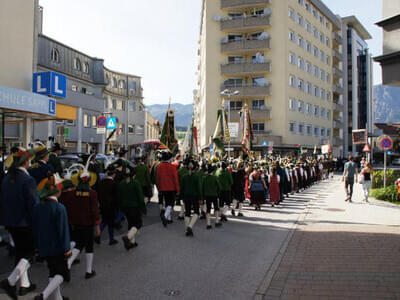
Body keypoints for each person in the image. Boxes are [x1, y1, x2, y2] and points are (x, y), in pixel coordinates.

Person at [0, 148, 38, 299]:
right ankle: (9, 282)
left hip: (10, 221)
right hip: (24, 222)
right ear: (26, 162)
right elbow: (33, 204)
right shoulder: (27, 180)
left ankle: (24, 285)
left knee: (20, 253)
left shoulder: (7, 177)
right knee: (30, 253)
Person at [33, 176, 71, 300]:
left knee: (52, 271)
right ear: (57, 192)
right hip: (57, 247)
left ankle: (57, 297)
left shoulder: (38, 207)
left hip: (44, 245)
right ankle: (43, 295)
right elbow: (63, 231)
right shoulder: (60, 208)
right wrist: (67, 249)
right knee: (62, 273)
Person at [62, 169, 100, 279]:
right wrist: (97, 225)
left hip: (76, 223)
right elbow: (95, 211)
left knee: (79, 244)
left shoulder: (73, 193)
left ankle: (68, 264)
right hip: (88, 224)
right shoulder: (92, 194)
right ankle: (88, 271)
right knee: (89, 246)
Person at [119, 166, 146, 250]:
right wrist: (143, 207)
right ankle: (128, 237)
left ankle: (132, 242)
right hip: (134, 206)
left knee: (130, 223)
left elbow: (120, 196)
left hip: (125, 207)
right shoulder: (135, 183)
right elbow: (140, 197)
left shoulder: (122, 183)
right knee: (138, 223)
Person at [96, 165, 119, 245]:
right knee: (110, 223)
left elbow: (98, 194)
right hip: (111, 206)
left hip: (102, 205)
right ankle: (111, 239)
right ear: (113, 174)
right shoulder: (114, 183)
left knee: (104, 221)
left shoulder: (101, 182)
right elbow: (116, 197)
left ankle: (98, 236)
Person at [156, 151, 180, 227]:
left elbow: (158, 179)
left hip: (163, 188)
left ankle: (169, 219)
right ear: (169, 158)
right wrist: (178, 189)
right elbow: (175, 179)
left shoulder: (159, 166)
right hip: (171, 187)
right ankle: (165, 216)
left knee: (167, 202)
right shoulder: (173, 167)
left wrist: (159, 188)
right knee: (171, 203)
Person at [180, 160, 202, 236]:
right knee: (196, 212)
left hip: (186, 196)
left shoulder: (184, 177)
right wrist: (201, 198)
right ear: (195, 167)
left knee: (187, 212)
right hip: (195, 196)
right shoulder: (197, 177)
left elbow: (181, 188)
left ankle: (187, 230)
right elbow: (199, 188)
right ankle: (190, 226)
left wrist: (181, 197)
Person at [203, 164, 222, 229]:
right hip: (214, 195)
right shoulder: (215, 178)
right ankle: (216, 221)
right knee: (216, 208)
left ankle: (208, 223)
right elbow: (220, 187)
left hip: (207, 195)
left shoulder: (204, 178)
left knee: (208, 209)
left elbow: (203, 187)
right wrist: (218, 193)